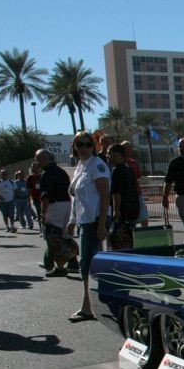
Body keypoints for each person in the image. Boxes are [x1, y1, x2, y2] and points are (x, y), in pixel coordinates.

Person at [67, 131, 109, 321]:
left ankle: (88, 307)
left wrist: (101, 225)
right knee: (90, 264)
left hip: (94, 221)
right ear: (74, 147)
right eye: (80, 144)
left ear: (94, 146)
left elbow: (105, 196)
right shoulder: (80, 167)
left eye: (88, 144)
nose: (84, 148)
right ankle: (95, 303)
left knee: (87, 265)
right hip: (85, 221)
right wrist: (72, 219)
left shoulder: (97, 165)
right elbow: (77, 198)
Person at [36, 148, 75, 277]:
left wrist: (43, 214)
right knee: (66, 235)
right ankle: (73, 262)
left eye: (39, 160)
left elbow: (45, 196)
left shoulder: (46, 174)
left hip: (54, 206)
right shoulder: (62, 172)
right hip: (67, 204)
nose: (38, 163)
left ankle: (60, 267)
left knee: (53, 237)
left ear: (44, 159)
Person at [108, 144, 140, 250]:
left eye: (109, 153)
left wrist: (116, 211)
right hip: (133, 209)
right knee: (131, 239)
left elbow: (116, 193)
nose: (107, 156)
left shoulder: (117, 170)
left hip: (123, 211)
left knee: (120, 241)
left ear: (117, 154)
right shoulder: (129, 168)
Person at [27, 162, 42, 226]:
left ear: (38, 168)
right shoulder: (30, 178)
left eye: (34, 167)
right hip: (36, 199)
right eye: (32, 167)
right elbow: (29, 190)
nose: (33, 168)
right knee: (39, 214)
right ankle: (42, 229)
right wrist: (29, 201)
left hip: (44, 198)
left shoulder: (42, 176)